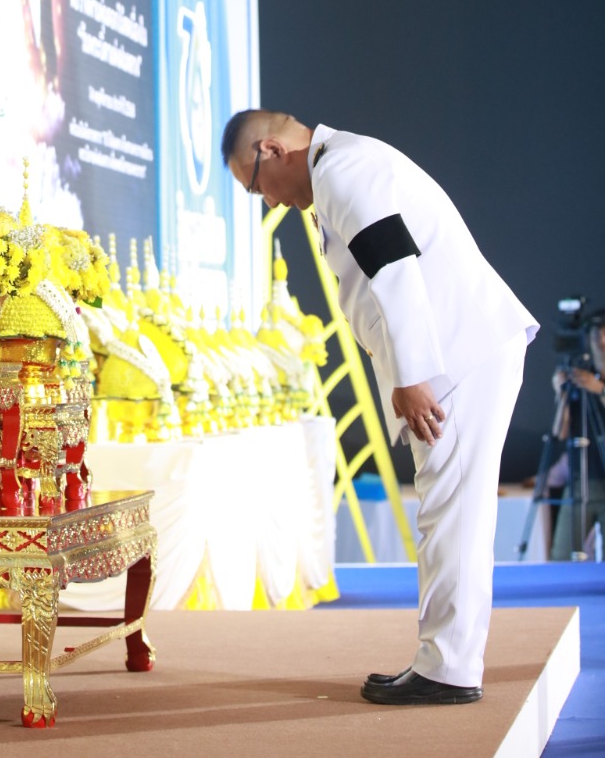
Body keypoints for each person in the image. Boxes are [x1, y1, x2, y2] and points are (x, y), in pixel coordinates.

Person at [222, 109, 538, 706]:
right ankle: (444, 661)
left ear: (272, 149)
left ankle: (449, 669)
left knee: (453, 513)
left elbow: (394, 265)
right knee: (452, 512)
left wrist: (413, 375)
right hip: (459, 353)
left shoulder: (342, 170)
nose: (269, 202)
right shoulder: (342, 165)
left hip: (455, 357)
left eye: (257, 186)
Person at [549, 314, 605, 560]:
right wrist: (561, 394)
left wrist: (600, 390)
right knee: (561, 557)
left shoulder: (593, 383)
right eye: (595, 336)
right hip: (581, 481)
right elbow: (559, 432)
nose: (601, 342)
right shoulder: (580, 378)